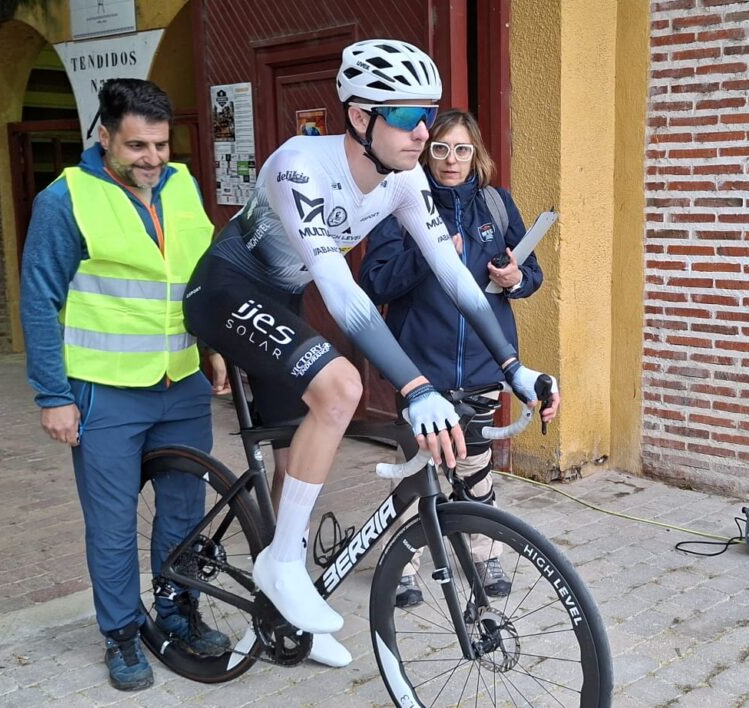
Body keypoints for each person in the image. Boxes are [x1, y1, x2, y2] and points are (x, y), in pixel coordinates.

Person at [182, 39, 560, 665]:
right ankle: (282, 566)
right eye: (408, 117)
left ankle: (280, 615)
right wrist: (416, 389)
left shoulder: (403, 181)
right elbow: (344, 293)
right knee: (342, 389)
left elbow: (455, 276)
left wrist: (514, 366)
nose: (423, 133)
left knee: (294, 460)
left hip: (282, 300)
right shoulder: (298, 165)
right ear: (359, 117)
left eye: (428, 115)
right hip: (224, 291)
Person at [20, 79, 231, 692]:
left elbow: (198, 279)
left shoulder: (183, 185)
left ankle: (177, 611)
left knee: (185, 510)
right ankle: (120, 633)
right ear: (104, 136)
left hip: (180, 382)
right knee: (112, 524)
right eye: (137, 145)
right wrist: (52, 395)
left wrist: (214, 346)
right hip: (103, 390)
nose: (152, 158)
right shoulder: (66, 199)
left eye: (161, 145)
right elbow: (39, 301)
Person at [357, 108, 542, 608]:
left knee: (475, 465)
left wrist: (516, 279)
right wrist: (428, 253)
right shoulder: (398, 202)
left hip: (483, 364)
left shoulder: (496, 205)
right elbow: (374, 281)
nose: (451, 160)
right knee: (417, 468)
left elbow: (532, 274)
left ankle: (484, 553)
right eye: (440, 149)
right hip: (419, 367)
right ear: (426, 153)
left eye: (462, 149)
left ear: (475, 153)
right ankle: (403, 564)